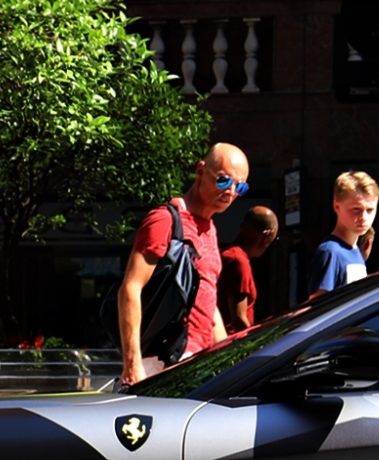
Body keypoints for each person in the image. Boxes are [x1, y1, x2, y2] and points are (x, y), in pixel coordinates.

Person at [118, 142, 249, 385]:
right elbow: (130, 288)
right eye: (223, 180)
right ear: (200, 171)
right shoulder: (164, 220)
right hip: (162, 362)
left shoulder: (210, 229)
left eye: (239, 186)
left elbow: (207, 304)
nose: (230, 191)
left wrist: (224, 359)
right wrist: (133, 364)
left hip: (195, 364)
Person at [309, 171, 379, 300]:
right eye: (356, 209)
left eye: (370, 210)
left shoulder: (356, 251)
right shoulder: (330, 252)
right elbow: (318, 306)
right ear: (337, 206)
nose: (364, 218)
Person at [219, 204, 280, 336]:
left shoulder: (225, 254)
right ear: (267, 235)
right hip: (231, 344)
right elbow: (239, 320)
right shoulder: (238, 262)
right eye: (273, 240)